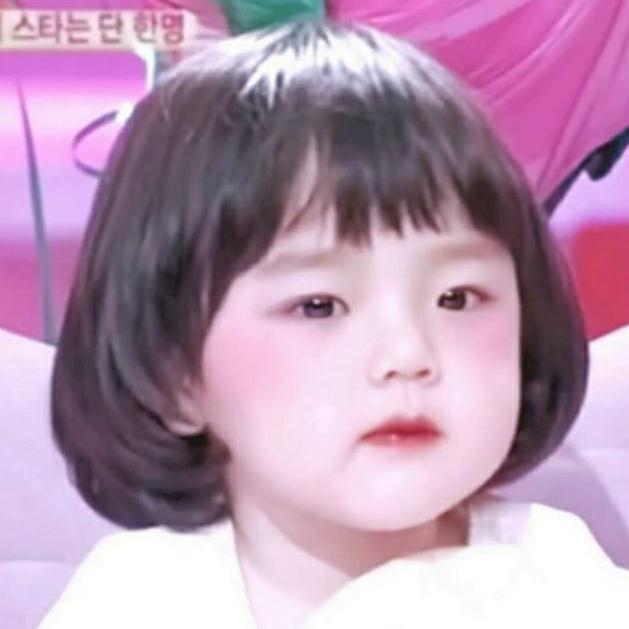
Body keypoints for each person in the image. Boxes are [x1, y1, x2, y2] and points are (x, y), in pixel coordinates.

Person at [40, 20, 628, 629]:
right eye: (319, 305)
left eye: (456, 298)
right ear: (174, 373)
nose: (407, 355)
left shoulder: (561, 582)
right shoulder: (142, 599)